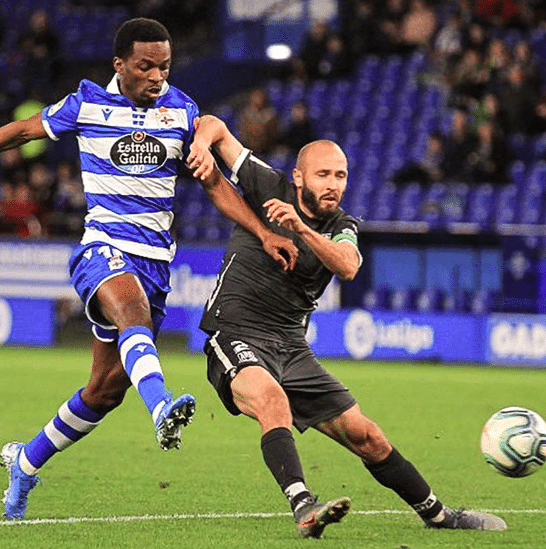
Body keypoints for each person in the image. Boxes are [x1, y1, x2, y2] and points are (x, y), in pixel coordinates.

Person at [0, 18, 298, 520]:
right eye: (146, 66)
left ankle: (25, 461)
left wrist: (263, 232)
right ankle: (162, 407)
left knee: (104, 391)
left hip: (155, 263)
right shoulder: (86, 103)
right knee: (129, 313)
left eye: (165, 66)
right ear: (120, 65)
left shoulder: (182, 111)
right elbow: (23, 131)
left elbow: (215, 184)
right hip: (102, 249)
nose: (157, 76)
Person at [186, 115, 507, 538]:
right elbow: (214, 126)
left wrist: (299, 228)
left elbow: (349, 265)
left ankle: (440, 515)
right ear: (298, 177)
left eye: (341, 175)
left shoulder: (343, 226)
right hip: (236, 332)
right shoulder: (268, 184)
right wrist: (200, 145)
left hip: (291, 346)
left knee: (367, 435)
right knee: (271, 400)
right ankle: (304, 507)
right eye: (323, 174)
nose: (333, 183)